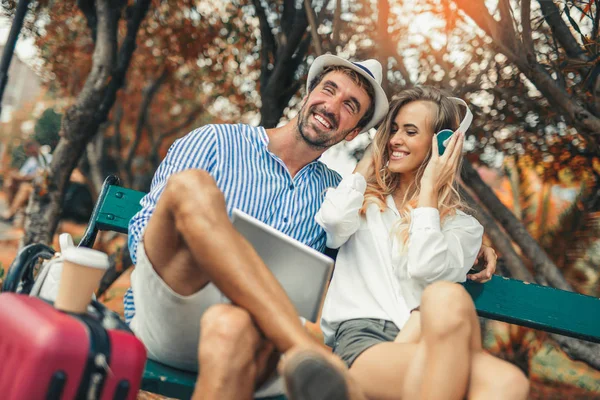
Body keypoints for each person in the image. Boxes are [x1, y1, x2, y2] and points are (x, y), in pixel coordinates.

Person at [126, 54, 497, 400]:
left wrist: (473, 244)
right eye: (329, 90)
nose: (332, 106)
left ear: (354, 133)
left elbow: (392, 233)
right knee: (192, 188)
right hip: (174, 303)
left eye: (351, 106)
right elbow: (143, 231)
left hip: (251, 333)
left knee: (230, 326)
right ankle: (300, 347)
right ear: (308, 94)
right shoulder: (217, 141)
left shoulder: (335, 194)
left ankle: (290, 342)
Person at [316, 86, 529, 399]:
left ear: (441, 145)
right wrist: (369, 157)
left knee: (508, 381)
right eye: (393, 129)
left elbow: (425, 268)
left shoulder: (464, 228)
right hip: (367, 340)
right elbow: (333, 224)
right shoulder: (361, 202)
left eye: (410, 131)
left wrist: (429, 189)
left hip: (435, 338)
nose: (394, 140)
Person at [1, 142, 52, 223]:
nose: (29, 152)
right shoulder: (31, 161)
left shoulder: (48, 159)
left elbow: (45, 176)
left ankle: (11, 213)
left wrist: (29, 177)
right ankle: (11, 210)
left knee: (24, 187)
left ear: (36, 148)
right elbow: (22, 174)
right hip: (30, 184)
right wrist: (17, 176)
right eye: (28, 150)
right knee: (9, 184)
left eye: (31, 149)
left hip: (43, 189)